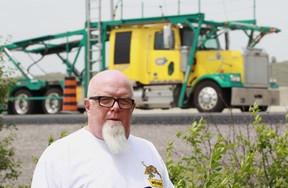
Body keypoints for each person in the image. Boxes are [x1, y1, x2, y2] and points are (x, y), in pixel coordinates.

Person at [31, 70, 174, 188]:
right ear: (88, 106)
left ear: (133, 108)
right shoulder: (60, 157)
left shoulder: (147, 150)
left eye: (124, 101)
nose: (116, 107)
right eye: (105, 100)